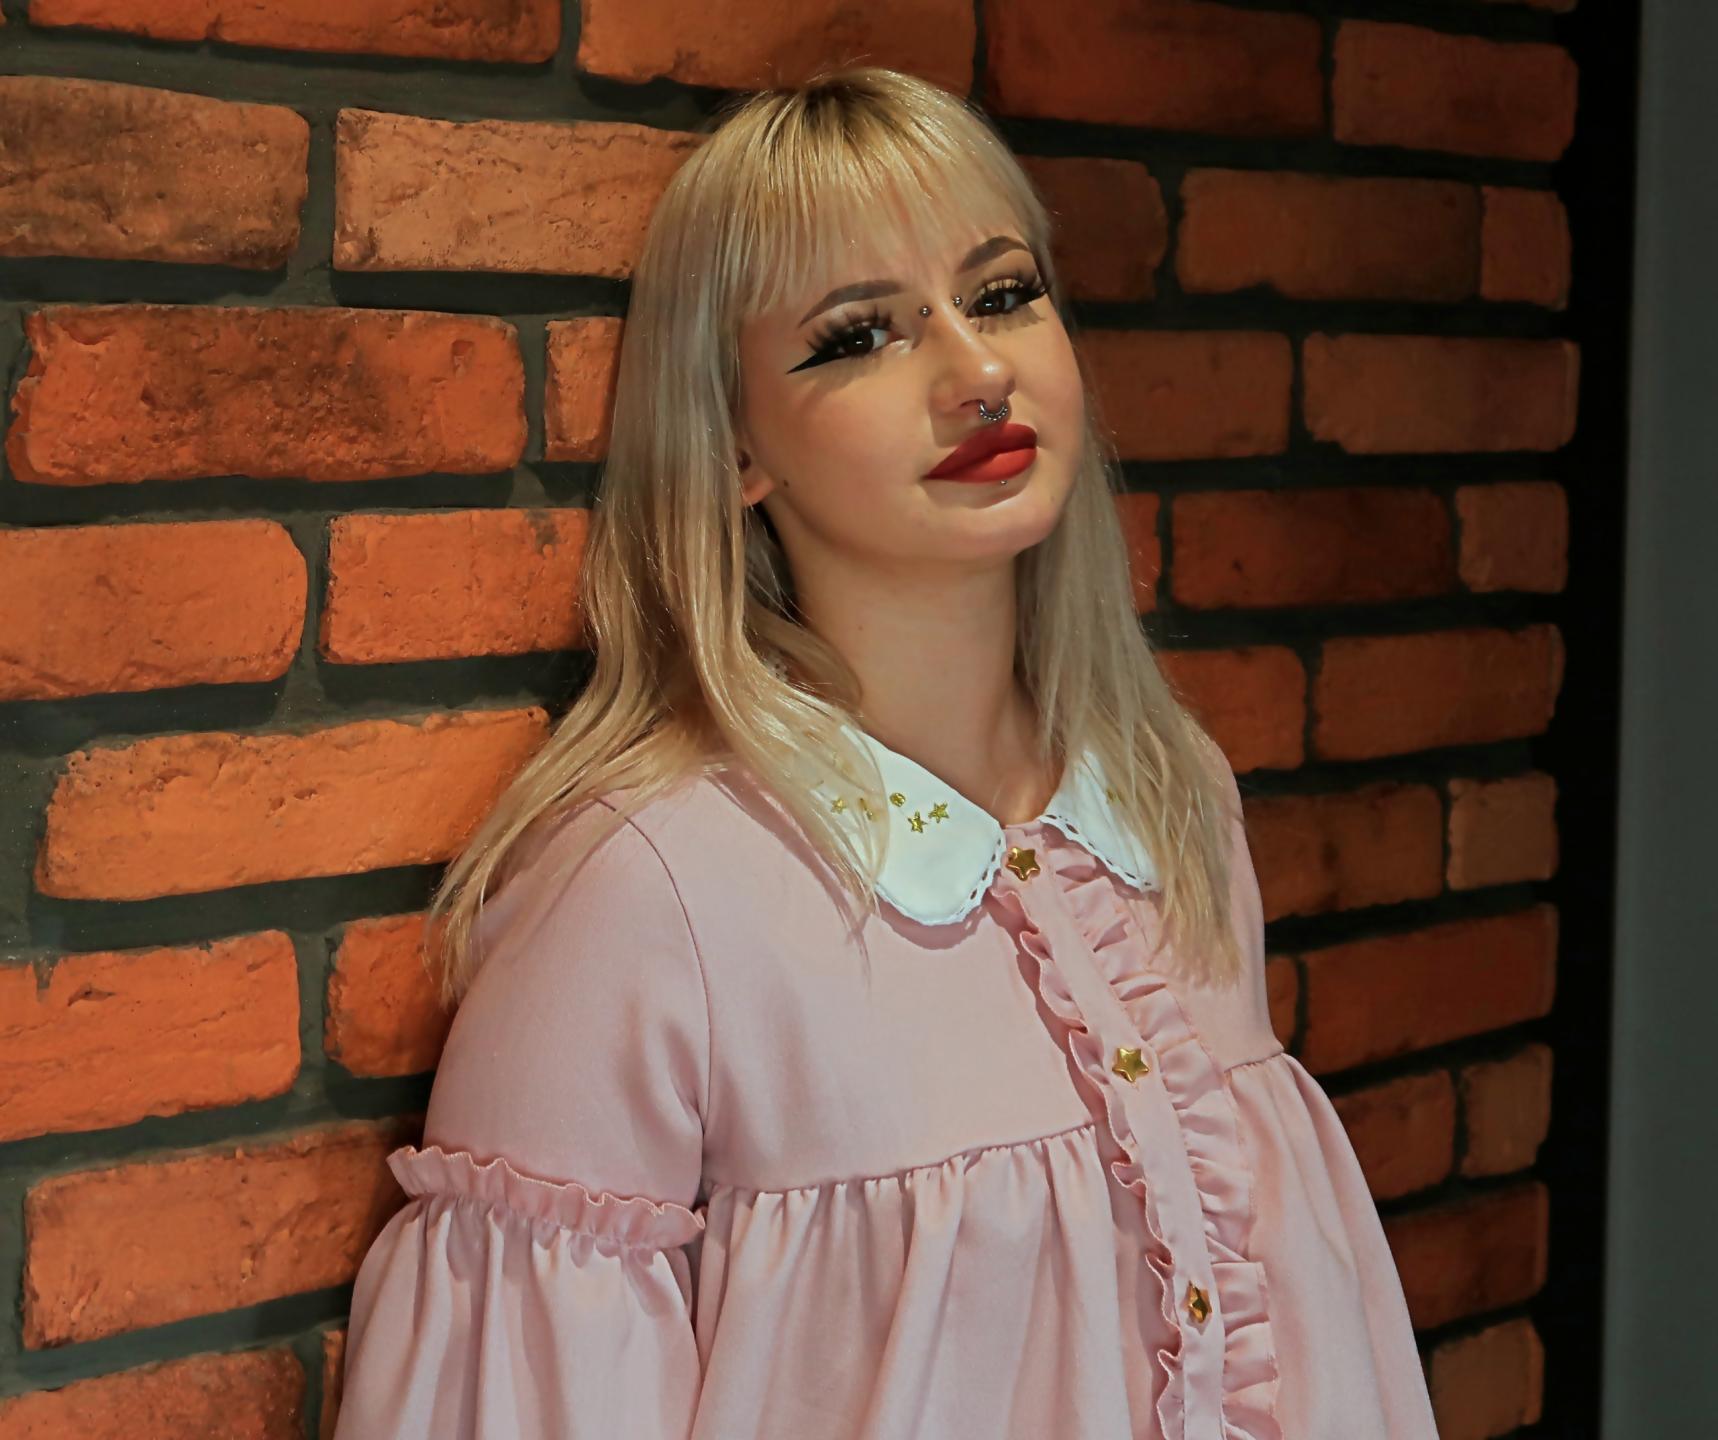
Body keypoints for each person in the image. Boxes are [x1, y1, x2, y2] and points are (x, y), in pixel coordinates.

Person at [333, 65, 1439, 1440]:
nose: (978, 373)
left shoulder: (1173, 800)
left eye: (1002, 294)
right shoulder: (651, 891)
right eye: (858, 334)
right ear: (736, 442)